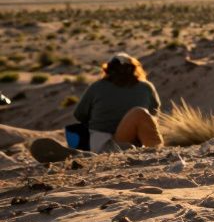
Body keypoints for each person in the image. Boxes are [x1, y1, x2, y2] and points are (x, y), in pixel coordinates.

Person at [29, 53, 163, 163]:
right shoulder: (145, 87)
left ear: (108, 70)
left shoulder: (97, 86)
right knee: (140, 113)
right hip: (120, 141)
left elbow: (80, 115)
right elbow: (154, 114)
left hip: (98, 140)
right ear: (134, 69)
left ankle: (82, 154)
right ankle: (158, 154)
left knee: (79, 129)